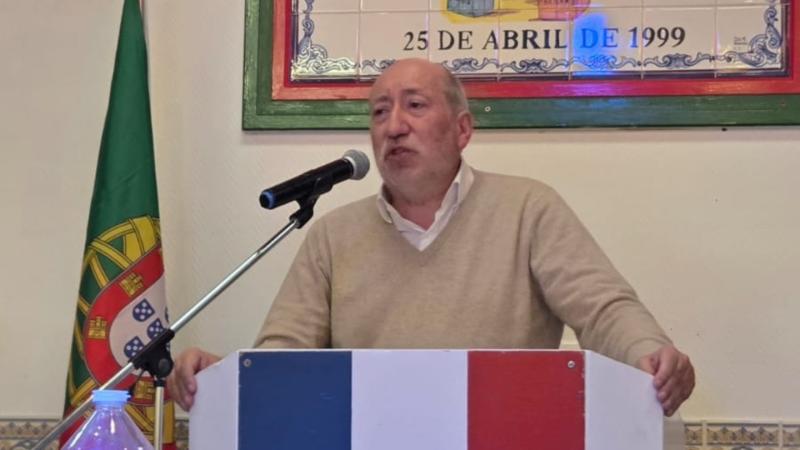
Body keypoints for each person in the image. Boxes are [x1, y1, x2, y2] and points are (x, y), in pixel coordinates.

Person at [168, 58, 694, 416]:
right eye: (379, 112)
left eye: (415, 106)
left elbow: (603, 310)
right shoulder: (332, 235)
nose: (394, 126)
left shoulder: (528, 208)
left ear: (462, 129)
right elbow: (285, 359)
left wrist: (649, 355)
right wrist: (224, 378)